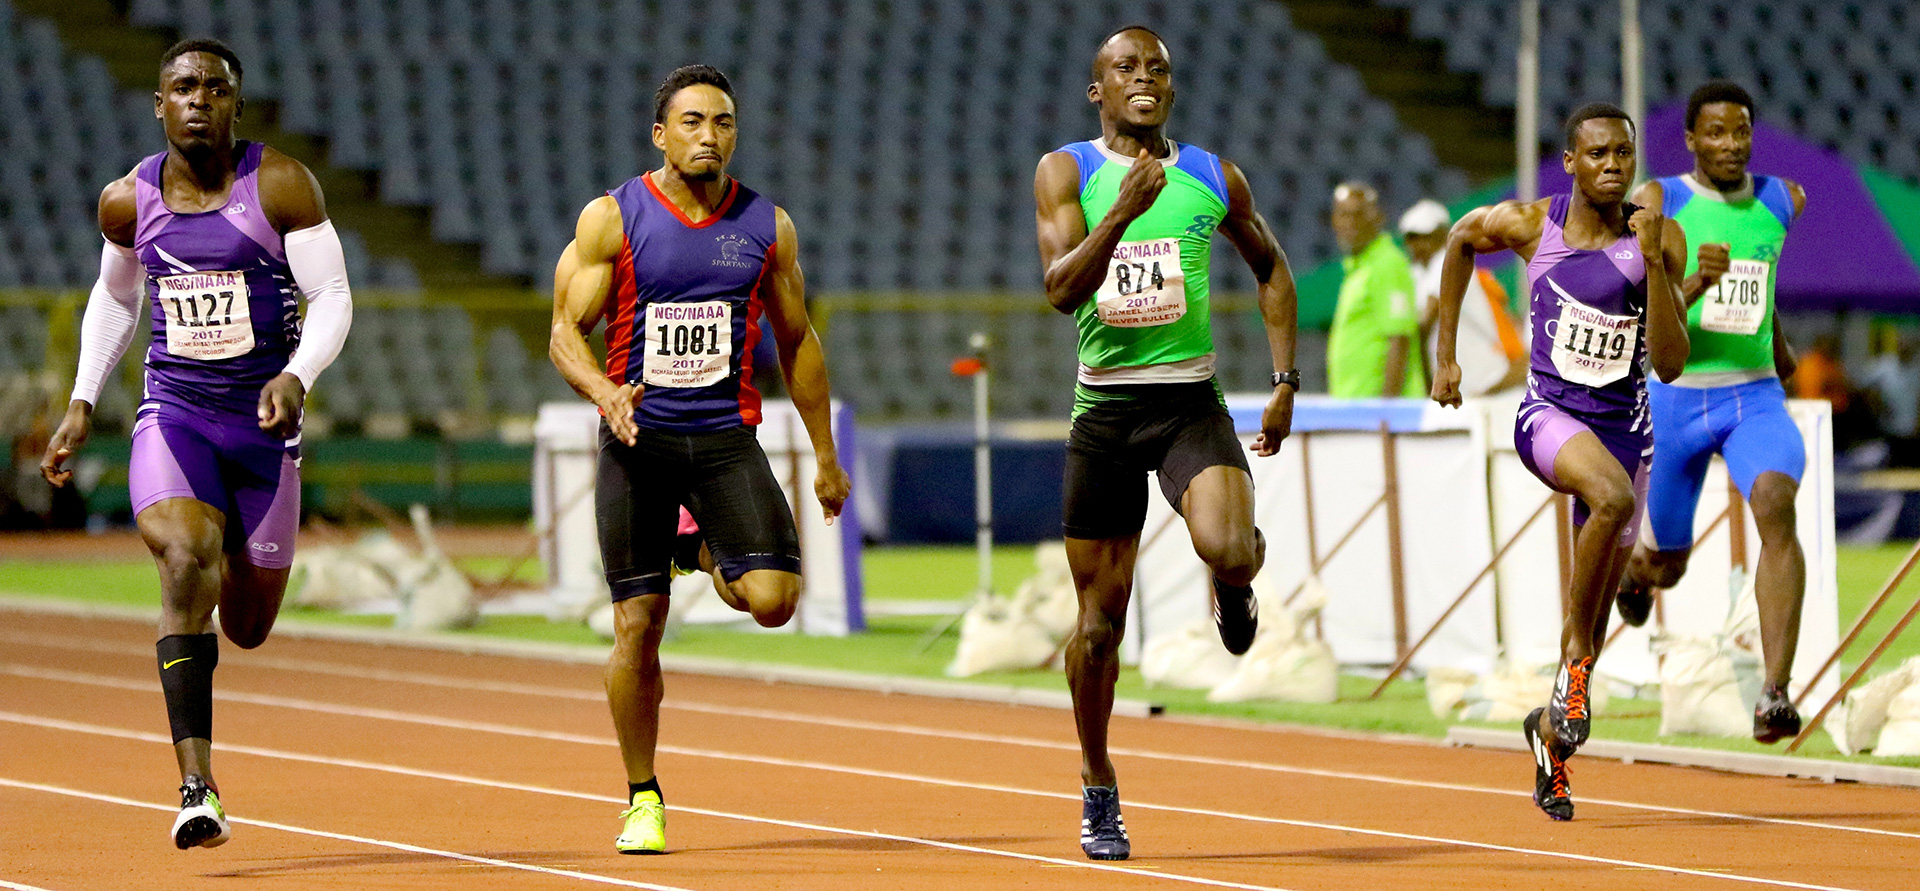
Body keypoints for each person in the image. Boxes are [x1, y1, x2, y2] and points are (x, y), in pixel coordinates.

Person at [39, 38, 353, 849]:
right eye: (183, 87)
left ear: (235, 104)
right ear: (159, 104)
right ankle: (196, 786)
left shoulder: (280, 184)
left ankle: (234, 581)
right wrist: (81, 400)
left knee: (246, 624)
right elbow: (115, 300)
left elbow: (331, 294)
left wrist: (298, 375)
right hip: (175, 412)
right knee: (184, 560)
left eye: (215, 88)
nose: (198, 100)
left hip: (264, 427)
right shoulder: (126, 201)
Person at [548, 64, 849, 855]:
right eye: (691, 121)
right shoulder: (611, 219)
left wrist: (825, 455)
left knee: (775, 599)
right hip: (638, 441)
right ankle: (642, 796)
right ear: (661, 134)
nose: (708, 135)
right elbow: (564, 332)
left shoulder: (765, 226)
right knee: (637, 623)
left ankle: (699, 545)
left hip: (723, 438)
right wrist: (604, 391)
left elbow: (798, 342)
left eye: (722, 122)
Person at [1033, 25, 1297, 861]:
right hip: (1106, 415)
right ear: (1098, 91)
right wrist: (1122, 211)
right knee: (1098, 629)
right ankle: (1098, 781)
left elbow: (1272, 268)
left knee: (1232, 548)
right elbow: (1059, 288)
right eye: (1125, 68)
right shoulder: (1065, 171)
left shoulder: (1214, 175)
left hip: (1188, 402)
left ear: (1172, 89)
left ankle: (1232, 582)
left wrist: (1284, 381)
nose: (1143, 77)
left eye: (1157, 68)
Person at [1432, 103, 1688, 821]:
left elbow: (1671, 364)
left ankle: (1550, 735)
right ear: (1571, 162)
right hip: (1548, 417)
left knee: (1596, 615)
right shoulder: (1529, 225)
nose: (1612, 166)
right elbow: (1458, 240)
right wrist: (1446, 354)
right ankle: (1571, 665)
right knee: (1611, 501)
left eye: (1623, 154)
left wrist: (1656, 263)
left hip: (1626, 435)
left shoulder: (1656, 236)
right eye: (1598, 153)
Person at [1614, 81, 1811, 743]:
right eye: (1716, 133)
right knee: (1667, 566)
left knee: (1775, 503)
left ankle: (1775, 692)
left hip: (1753, 395)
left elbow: (1760, 285)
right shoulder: (1658, 202)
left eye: (1741, 131)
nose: (1731, 144)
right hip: (1675, 398)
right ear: (1692, 139)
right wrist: (1696, 280)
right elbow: (1638, 306)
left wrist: (1778, 346)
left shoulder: (1784, 200)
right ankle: (1637, 575)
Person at [1401, 199, 1526, 397]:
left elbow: (1424, 323)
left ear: (1444, 234)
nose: (1418, 245)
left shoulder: (1449, 261)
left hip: (1487, 375)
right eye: (1412, 238)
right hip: (1464, 381)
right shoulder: (1417, 273)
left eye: (1426, 237)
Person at [1329, 182, 1426, 398]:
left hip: (1377, 410)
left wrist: (1386, 410)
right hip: (1358, 406)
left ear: (1379, 218)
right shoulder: (1358, 267)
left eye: (1358, 215)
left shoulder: (1387, 264)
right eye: (1343, 215)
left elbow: (1399, 339)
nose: (1349, 223)